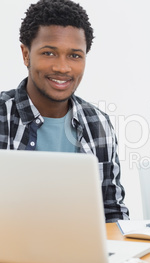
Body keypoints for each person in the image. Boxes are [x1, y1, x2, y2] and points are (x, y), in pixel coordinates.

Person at [0, 0, 129, 223]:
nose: (62, 67)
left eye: (75, 55)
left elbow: (113, 213)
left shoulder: (97, 123)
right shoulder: (3, 115)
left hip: (81, 254)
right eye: (49, 53)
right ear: (26, 54)